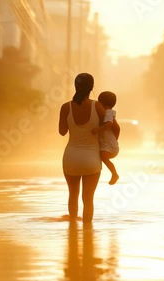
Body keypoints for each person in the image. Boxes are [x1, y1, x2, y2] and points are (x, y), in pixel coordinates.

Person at [59, 73, 120, 223]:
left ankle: (72, 232)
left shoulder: (66, 107)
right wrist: (110, 144)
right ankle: (87, 235)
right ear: (91, 88)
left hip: (71, 158)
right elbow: (113, 126)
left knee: (73, 195)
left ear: (75, 86)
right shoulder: (97, 106)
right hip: (91, 159)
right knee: (88, 199)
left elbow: (62, 132)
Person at [92, 91, 120, 185]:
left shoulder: (108, 112)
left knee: (104, 157)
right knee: (102, 157)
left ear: (104, 104)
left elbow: (109, 124)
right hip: (107, 142)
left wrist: (98, 129)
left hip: (109, 143)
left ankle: (114, 174)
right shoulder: (107, 112)